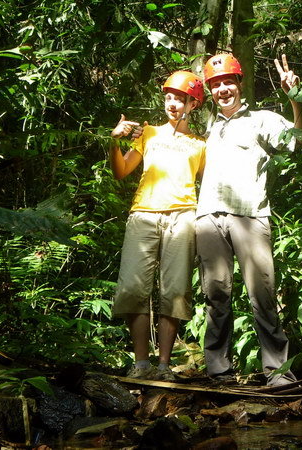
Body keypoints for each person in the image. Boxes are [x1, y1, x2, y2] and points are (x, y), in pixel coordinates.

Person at [196, 53, 302, 386]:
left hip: (250, 215)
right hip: (208, 217)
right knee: (215, 297)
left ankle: (277, 372)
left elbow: (299, 140)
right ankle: (219, 371)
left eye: (228, 81)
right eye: (215, 85)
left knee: (263, 294)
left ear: (240, 83)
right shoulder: (210, 128)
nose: (223, 90)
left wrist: (296, 100)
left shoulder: (262, 120)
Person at [109, 71, 206, 381]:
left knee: (175, 291)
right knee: (134, 288)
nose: (172, 104)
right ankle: (141, 364)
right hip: (144, 215)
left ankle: (164, 367)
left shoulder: (200, 145)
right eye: (168, 98)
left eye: (180, 99)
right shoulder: (147, 133)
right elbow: (121, 171)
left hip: (183, 216)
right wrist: (114, 142)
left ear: (193, 104)